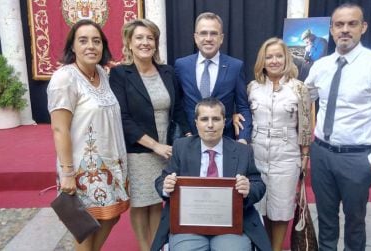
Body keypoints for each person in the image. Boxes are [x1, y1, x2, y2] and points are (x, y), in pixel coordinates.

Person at [304, 3, 371, 250]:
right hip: (322, 155)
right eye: (339, 24)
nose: (345, 30)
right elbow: (305, 97)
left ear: (363, 27)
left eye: (352, 24)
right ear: (332, 29)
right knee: (325, 220)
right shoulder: (321, 66)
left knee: (355, 223)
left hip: (357, 158)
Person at [47, 19, 129, 251]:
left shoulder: (102, 73)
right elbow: (59, 128)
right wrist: (67, 173)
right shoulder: (64, 78)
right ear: (72, 46)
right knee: (85, 226)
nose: (90, 46)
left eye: (96, 41)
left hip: (110, 164)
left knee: (111, 216)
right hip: (84, 168)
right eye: (83, 41)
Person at [109, 19, 191, 251]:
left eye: (150, 38)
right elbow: (123, 118)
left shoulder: (167, 71)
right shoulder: (120, 74)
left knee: (158, 202)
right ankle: (145, 248)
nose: (145, 42)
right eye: (140, 38)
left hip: (168, 149)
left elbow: (179, 108)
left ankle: (157, 246)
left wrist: (186, 137)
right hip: (139, 150)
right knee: (141, 204)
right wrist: (154, 145)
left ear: (155, 43)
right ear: (129, 43)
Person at [150, 98, 272, 251]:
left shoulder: (242, 150)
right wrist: (166, 187)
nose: (210, 125)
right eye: (204, 119)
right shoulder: (181, 147)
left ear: (224, 121)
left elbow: (258, 184)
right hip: (189, 224)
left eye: (215, 119)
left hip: (231, 224)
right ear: (196, 122)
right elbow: (161, 180)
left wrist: (249, 189)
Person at [234, 37, 312, 250]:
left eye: (279, 56)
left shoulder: (299, 88)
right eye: (269, 57)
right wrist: (235, 116)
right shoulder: (253, 87)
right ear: (263, 60)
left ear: (286, 58)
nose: (274, 60)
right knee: (259, 206)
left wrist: (305, 156)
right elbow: (244, 113)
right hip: (256, 155)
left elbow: (305, 126)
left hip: (286, 156)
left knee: (281, 209)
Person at [174, 12, 252, 144]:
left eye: (214, 33)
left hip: (225, 141)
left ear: (221, 38)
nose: (208, 38)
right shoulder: (181, 65)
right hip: (189, 141)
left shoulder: (235, 66)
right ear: (195, 37)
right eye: (203, 33)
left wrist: (243, 139)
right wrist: (186, 132)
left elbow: (243, 107)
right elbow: (177, 106)